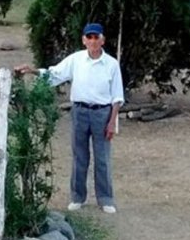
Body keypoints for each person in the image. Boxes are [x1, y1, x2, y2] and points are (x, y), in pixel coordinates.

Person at [15, 23, 124, 214]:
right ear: (83, 40)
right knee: (79, 156)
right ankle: (77, 197)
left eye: (96, 37)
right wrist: (32, 71)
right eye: (88, 37)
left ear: (102, 40)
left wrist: (111, 122)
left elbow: (117, 97)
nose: (92, 41)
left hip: (102, 113)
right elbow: (55, 74)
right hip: (80, 112)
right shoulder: (76, 60)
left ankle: (105, 199)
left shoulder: (111, 64)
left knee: (102, 158)